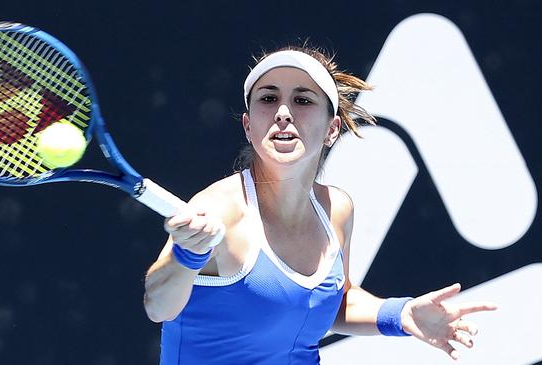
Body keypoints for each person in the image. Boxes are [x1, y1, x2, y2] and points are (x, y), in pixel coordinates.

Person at [143, 46, 497, 364]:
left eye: (302, 100)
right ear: (249, 126)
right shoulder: (219, 211)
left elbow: (329, 302)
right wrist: (186, 256)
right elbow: (158, 306)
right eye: (268, 98)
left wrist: (400, 314)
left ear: (332, 129)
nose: (283, 112)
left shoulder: (336, 210)